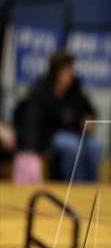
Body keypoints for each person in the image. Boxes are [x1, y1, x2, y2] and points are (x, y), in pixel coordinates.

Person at [13, 49, 101, 183]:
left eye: (71, 71)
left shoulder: (75, 90)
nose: (70, 75)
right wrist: (31, 149)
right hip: (50, 138)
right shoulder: (41, 92)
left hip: (77, 134)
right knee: (71, 146)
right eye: (66, 71)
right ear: (56, 72)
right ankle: (75, 186)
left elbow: (89, 110)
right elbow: (33, 123)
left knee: (95, 146)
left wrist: (89, 119)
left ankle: (92, 186)